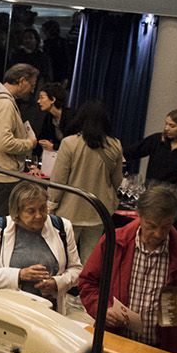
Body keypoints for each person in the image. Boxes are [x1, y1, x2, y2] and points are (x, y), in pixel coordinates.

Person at [78, 186, 177, 353]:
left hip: (167, 351)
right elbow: (87, 282)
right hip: (115, 343)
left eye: (166, 227)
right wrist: (101, 309)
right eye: (151, 226)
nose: (158, 234)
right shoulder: (115, 242)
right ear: (140, 215)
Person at [0, 180, 83, 306]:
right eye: (31, 211)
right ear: (17, 212)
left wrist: (57, 283)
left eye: (43, 208)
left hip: (48, 309)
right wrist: (20, 274)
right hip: (8, 306)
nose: (39, 216)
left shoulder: (62, 227)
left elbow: (76, 270)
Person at [51, 101, 126, 258]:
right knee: (89, 259)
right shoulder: (115, 145)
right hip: (100, 210)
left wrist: (51, 204)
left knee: (62, 257)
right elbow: (117, 181)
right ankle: (84, 284)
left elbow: (59, 181)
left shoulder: (69, 143)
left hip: (70, 210)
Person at [0, 63, 40, 238]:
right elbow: (4, 142)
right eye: (32, 85)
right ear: (22, 81)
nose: (32, 90)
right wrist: (29, 143)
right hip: (3, 171)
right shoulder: (4, 103)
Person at [126, 108, 177, 197]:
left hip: (175, 199)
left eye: (172, 126)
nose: (166, 128)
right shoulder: (156, 140)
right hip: (152, 195)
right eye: (166, 124)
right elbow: (131, 152)